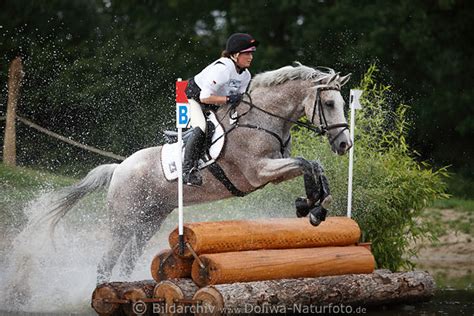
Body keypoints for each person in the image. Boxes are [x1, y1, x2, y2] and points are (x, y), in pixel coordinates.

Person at [183, 33, 259, 186]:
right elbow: (205, 97)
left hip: (215, 104)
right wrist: (229, 99)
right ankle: (187, 171)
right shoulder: (223, 69)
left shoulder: (246, 75)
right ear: (235, 54)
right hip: (193, 99)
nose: (251, 57)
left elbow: (237, 100)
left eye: (252, 53)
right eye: (247, 53)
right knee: (202, 127)